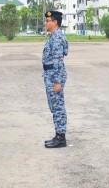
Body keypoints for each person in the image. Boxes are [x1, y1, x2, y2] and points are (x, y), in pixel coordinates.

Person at [42, 11, 68, 148]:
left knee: (58, 107)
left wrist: (57, 81)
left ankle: (61, 138)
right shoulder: (54, 36)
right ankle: (58, 134)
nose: (45, 23)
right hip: (50, 74)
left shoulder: (57, 37)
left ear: (55, 22)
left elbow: (58, 60)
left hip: (54, 75)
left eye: (47, 20)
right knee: (55, 106)